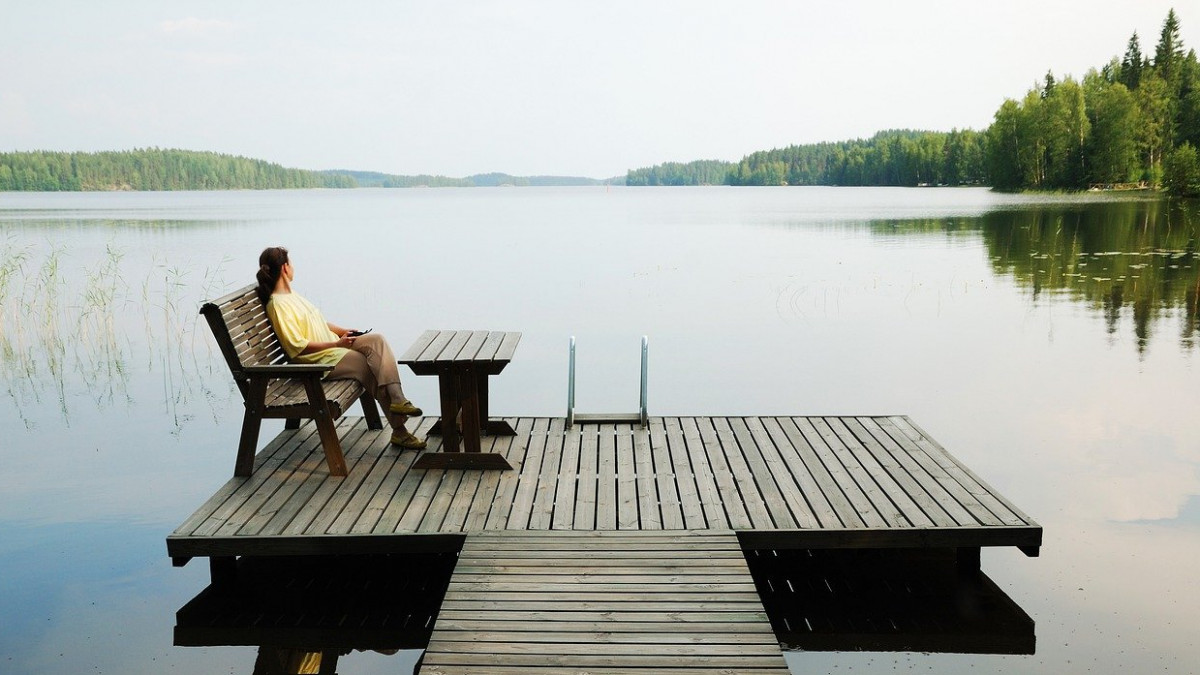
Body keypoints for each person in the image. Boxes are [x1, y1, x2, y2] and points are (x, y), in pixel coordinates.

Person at [256, 246, 426, 449]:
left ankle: (398, 398)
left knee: (377, 341)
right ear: (285, 268)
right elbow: (297, 347)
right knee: (368, 366)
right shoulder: (278, 305)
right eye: (291, 264)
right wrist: (336, 343)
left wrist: (342, 331)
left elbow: (319, 322)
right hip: (319, 361)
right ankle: (400, 431)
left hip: (335, 348)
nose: (294, 267)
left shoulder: (293, 296)